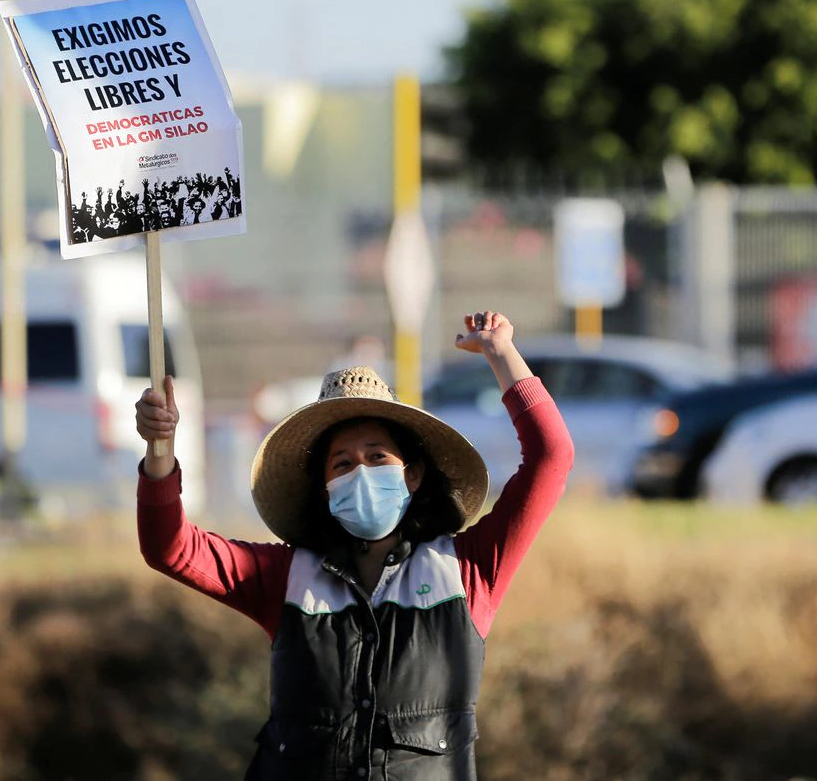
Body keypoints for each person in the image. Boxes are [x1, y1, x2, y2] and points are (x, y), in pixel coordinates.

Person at [134, 310, 574, 780]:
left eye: (377, 456)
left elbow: (551, 458)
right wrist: (160, 448)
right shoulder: (284, 577)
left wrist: (502, 354)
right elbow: (170, 548)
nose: (360, 471)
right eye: (342, 464)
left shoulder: (467, 571)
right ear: (324, 490)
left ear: (414, 474)